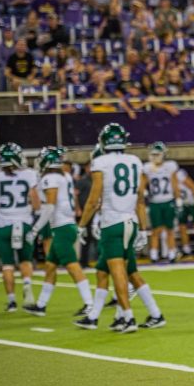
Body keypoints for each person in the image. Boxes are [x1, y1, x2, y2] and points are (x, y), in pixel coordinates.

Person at [76, 124, 164, 332]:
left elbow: (93, 199)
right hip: (130, 221)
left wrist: (82, 225)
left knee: (118, 272)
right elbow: (140, 199)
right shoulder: (134, 161)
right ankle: (147, 314)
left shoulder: (101, 162)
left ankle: (127, 317)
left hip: (112, 223)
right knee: (121, 270)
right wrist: (142, 229)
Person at [23, 147, 94, 316]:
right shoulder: (65, 175)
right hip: (65, 225)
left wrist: (35, 229)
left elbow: (49, 207)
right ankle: (41, 305)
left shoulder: (51, 178)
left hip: (62, 226)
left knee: (72, 266)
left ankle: (90, 304)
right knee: (50, 266)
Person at [0, 143, 39, 312]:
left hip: (3, 224)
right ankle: (27, 284)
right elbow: (36, 202)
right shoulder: (29, 174)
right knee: (25, 260)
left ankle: (11, 302)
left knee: (7, 264)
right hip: (24, 223)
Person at [144, 142, 181, 263]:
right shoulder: (147, 167)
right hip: (154, 201)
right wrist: (143, 192)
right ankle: (154, 254)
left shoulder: (170, 166)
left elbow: (175, 183)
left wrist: (178, 198)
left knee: (170, 229)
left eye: (158, 154)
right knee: (156, 230)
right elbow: (143, 183)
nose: (155, 157)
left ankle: (171, 253)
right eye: (153, 154)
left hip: (168, 200)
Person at [177, 167, 194, 257]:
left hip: (191, 202)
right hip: (181, 204)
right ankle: (186, 249)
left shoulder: (179, 175)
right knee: (182, 226)